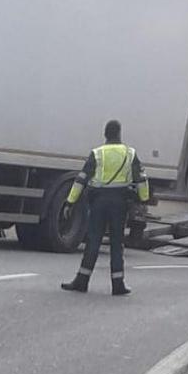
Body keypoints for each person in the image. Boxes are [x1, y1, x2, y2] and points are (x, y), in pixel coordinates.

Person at [61, 120, 150, 297]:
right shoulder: (130, 153)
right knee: (117, 242)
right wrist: (143, 200)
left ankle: (82, 280)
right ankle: (118, 284)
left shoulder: (97, 153)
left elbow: (81, 179)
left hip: (99, 201)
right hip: (120, 202)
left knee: (93, 240)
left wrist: (70, 202)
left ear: (105, 134)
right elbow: (141, 179)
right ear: (119, 133)